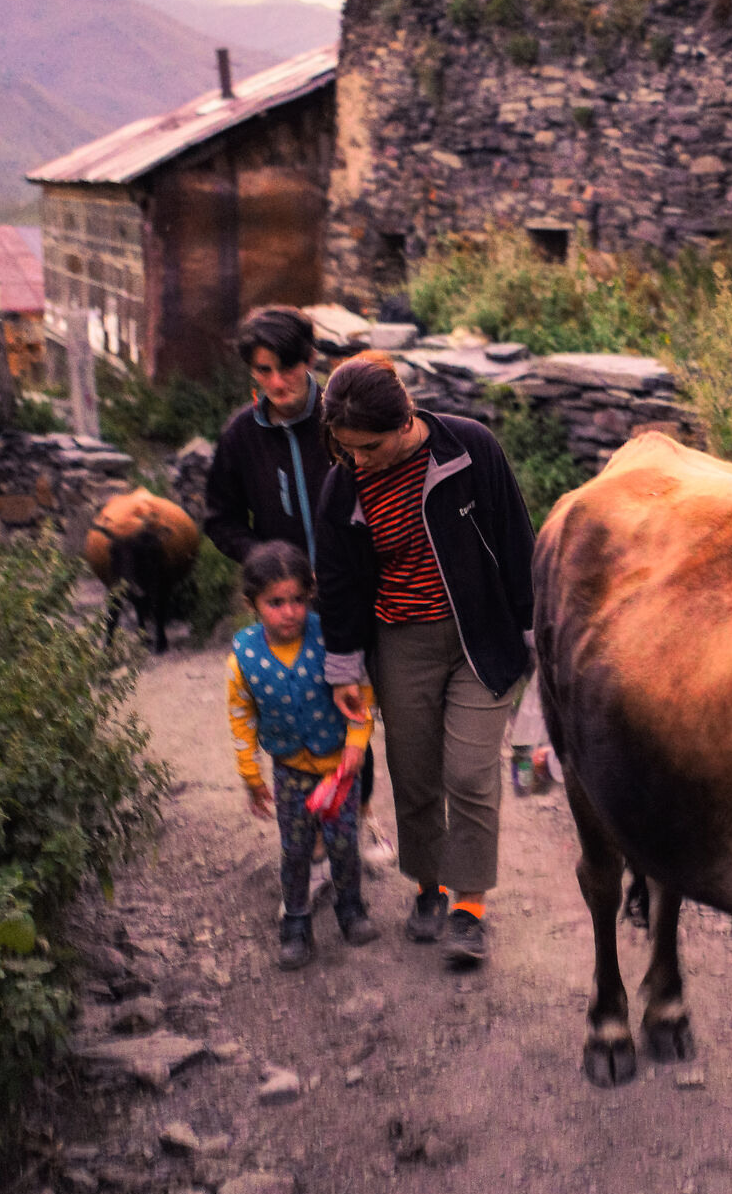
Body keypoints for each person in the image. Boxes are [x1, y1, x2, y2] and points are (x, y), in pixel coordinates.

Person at [313, 352, 536, 970]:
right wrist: (346, 667)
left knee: (468, 772)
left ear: (407, 416)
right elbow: (335, 582)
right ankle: (428, 887)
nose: (358, 457)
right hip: (399, 641)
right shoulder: (345, 486)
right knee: (413, 776)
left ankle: (470, 907)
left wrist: (533, 629)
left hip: (479, 637)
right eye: (346, 446)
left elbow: (517, 538)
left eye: (369, 444)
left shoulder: (468, 449)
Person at [227, 541, 381, 968]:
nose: (289, 611)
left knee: (343, 843)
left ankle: (351, 909)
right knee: (295, 849)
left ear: (310, 594)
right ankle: (295, 924)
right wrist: (250, 774)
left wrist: (356, 743)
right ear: (252, 603)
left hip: (338, 769)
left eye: (297, 599)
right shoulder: (244, 657)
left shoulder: (331, 636)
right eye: (275, 603)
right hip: (290, 770)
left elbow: (361, 693)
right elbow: (241, 715)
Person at [204, 309, 335, 569]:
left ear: (310, 359)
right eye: (264, 370)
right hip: (286, 598)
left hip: (356, 594)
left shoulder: (342, 418)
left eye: (287, 368)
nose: (276, 383)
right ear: (252, 370)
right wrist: (266, 559)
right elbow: (221, 520)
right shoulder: (241, 434)